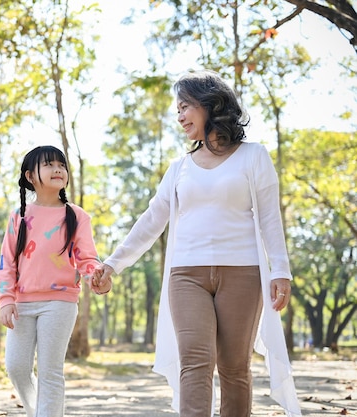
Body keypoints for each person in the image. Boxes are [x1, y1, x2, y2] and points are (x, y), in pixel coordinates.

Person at [93, 70, 301, 417]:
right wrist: (113, 263)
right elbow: (151, 220)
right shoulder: (180, 168)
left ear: (209, 105)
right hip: (186, 274)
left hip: (243, 273)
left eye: (185, 106)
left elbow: (269, 218)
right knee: (195, 363)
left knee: (235, 367)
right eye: (177, 109)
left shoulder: (254, 157)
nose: (179, 116)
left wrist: (280, 270)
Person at [0, 145, 111, 417]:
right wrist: (5, 300)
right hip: (21, 303)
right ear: (30, 176)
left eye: (61, 164)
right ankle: (40, 412)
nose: (58, 169)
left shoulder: (76, 216)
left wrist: (97, 276)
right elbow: (7, 262)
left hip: (60, 303)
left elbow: (87, 258)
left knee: (50, 371)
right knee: (17, 368)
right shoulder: (19, 216)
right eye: (48, 164)